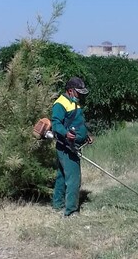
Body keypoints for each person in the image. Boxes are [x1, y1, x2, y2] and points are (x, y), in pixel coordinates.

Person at [51, 77, 92, 217]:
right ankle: (71, 211)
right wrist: (66, 134)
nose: (80, 95)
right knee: (74, 179)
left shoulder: (74, 103)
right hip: (66, 146)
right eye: (78, 92)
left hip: (73, 144)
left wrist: (86, 136)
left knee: (62, 176)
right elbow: (56, 124)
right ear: (70, 91)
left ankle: (57, 204)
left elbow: (78, 123)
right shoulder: (60, 104)